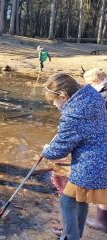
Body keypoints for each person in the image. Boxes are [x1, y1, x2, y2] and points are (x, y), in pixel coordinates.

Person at [42, 73, 107, 239]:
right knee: (79, 199)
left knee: (67, 201)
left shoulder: (73, 114)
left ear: (63, 96)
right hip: (101, 155)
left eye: (54, 101)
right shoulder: (92, 94)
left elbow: (58, 151)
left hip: (91, 163)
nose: (55, 105)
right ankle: (70, 235)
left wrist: (46, 150)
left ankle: (71, 236)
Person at [83, 68, 107, 234]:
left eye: (88, 83)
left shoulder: (102, 95)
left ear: (95, 81)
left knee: (103, 184)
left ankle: (102, 222)